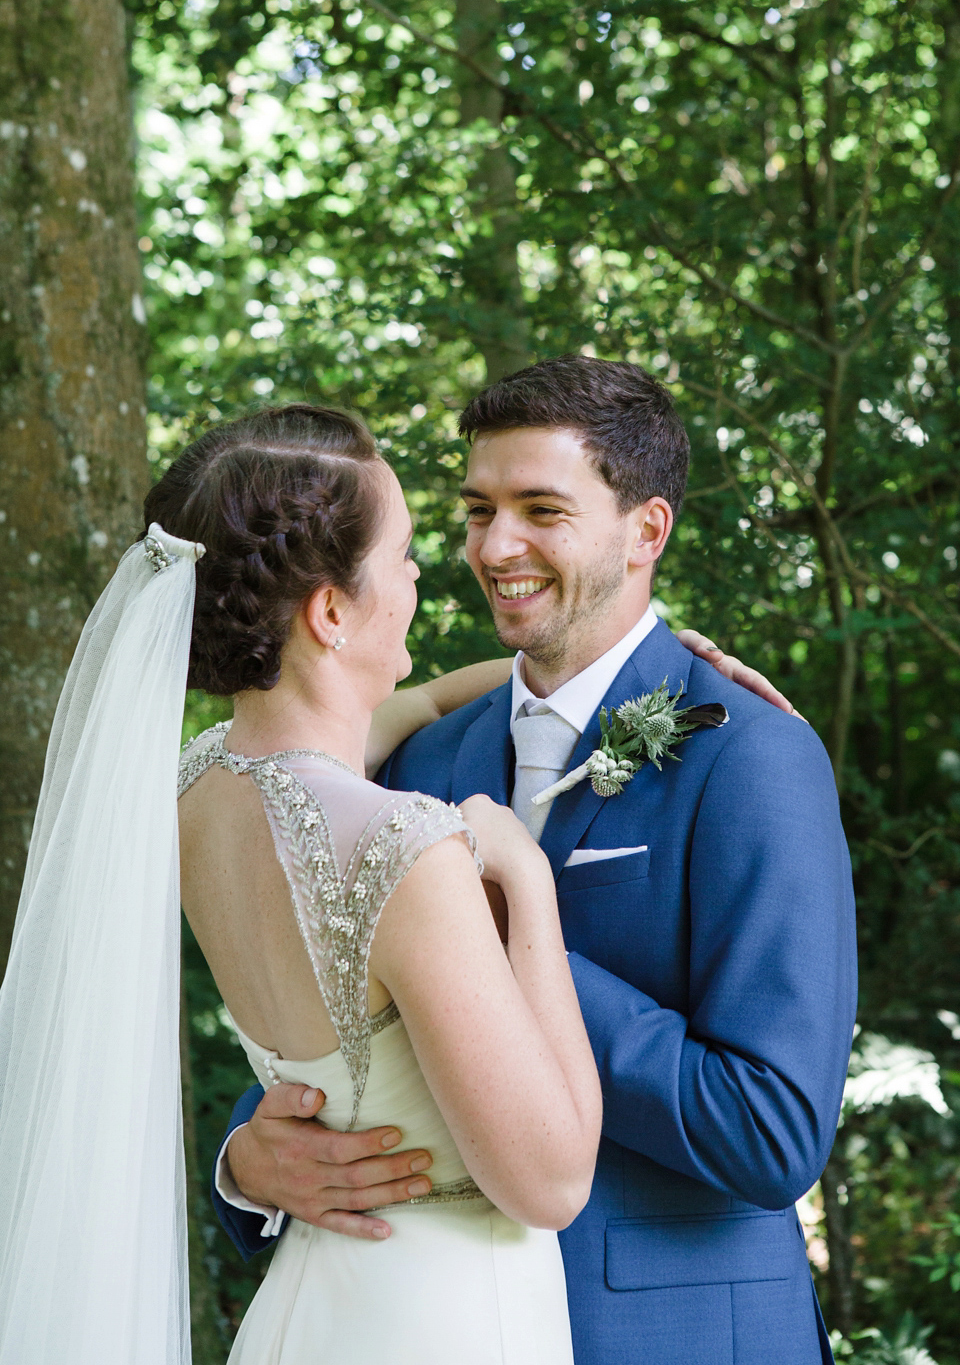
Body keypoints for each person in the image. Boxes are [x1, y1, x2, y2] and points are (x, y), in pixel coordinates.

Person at [217, 357, 858, 1365]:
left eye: (541, 510)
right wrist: (248, 1160)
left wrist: (512, 942)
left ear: (647, 529)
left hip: (671, 1337)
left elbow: (771, 1132)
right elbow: (362, 1020)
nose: (495, 546)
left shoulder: (750, 757)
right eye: (477, 510)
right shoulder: (417, 759)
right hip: (441, 1324)